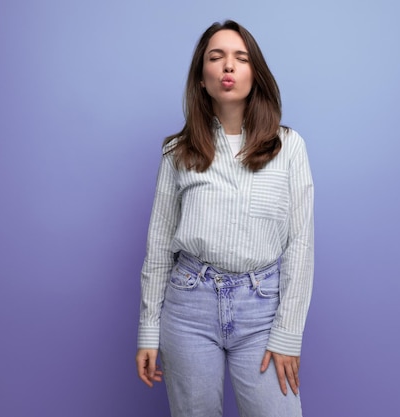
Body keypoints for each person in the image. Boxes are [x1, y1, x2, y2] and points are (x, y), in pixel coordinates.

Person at [135, 20, 314, 417]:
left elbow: (301, 243)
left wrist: (288, 334)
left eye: (240, 58)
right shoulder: (177, 151)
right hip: (188, 307)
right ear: (202, 77)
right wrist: (149, 328)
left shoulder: (290, 147)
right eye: (216, 58)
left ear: (256, 73)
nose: (228, 66)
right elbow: (159, 244)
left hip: (262, 310)